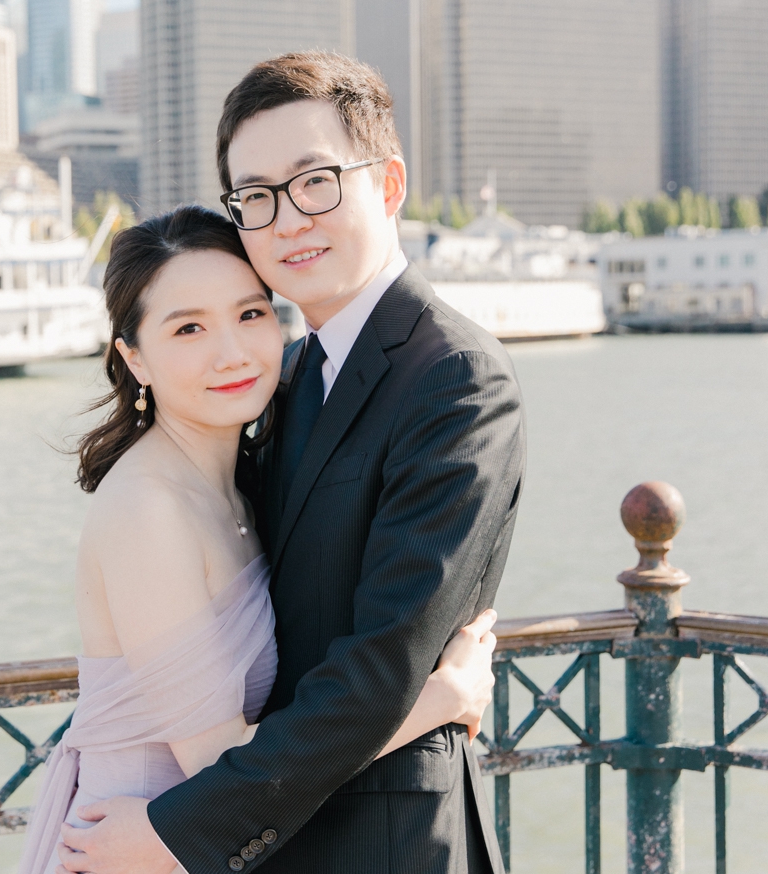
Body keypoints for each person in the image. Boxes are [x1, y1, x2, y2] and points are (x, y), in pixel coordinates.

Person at [54, 52, 525, 874]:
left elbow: (380, 667)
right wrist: (445, 699)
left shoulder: (454, 377)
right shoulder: (293, 376)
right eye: (257, 198)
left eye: (315, 182)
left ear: (387, 185)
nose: (288, 220)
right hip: (250, 834)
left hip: (387, 845)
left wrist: (173, 833)